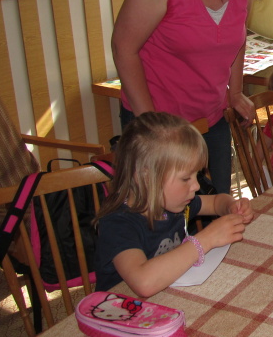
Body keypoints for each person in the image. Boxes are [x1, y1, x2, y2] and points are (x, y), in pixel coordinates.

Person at [111, 0, 273, 195]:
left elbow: (238, 36)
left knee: (216, 205)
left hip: (210, 117)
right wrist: (151, 123)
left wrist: (235, 91)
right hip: (158, 117)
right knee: (162, 214)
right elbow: (124, 48)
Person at [95, 112, 255, 298]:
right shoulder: (118, 225)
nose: (196, 186)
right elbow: (144, 283)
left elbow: (215, 202)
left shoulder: (173, 203)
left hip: (166, 297)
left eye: (197, 175)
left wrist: (231, 206)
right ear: (146, 178)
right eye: (186, 178)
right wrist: (206, 239)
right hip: (120, 308)